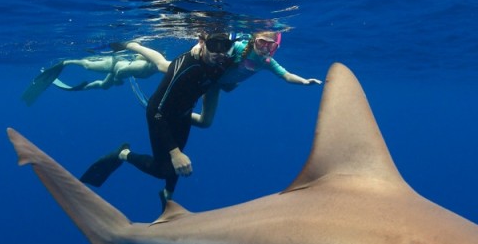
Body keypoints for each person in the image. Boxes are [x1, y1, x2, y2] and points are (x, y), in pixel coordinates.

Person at [79, 31, 235, 207]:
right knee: (164, 169)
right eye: (213, 46)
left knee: (162, 65)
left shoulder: (224, 58)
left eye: (225, 47)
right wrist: (175, 152)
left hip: (182, 114)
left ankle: (167, 193)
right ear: (203, 42)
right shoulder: (186, 69)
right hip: (161, 116)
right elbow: (154, 111)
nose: (219, 52)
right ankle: (123, 153)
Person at [120, 30, 320, 93]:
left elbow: (286, 76)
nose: (264, 50)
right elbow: (215, 48)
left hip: (215, 85)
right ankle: (134, 46)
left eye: (271, 46)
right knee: (163, 66)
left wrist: (303, 81)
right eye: (261, 43)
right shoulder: (241, 47)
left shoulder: (266, 62)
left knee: (206, 122)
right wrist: (197, 49)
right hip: (206, 74)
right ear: (253, 40)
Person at [20, 53, 160, 106]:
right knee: (88, 66)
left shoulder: (154, 68)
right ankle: (68, 61)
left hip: (121, 70)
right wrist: (118, 80)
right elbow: (121, 71)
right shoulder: (141, 66)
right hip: (114, 64)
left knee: (104, 86)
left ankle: (86, 87)